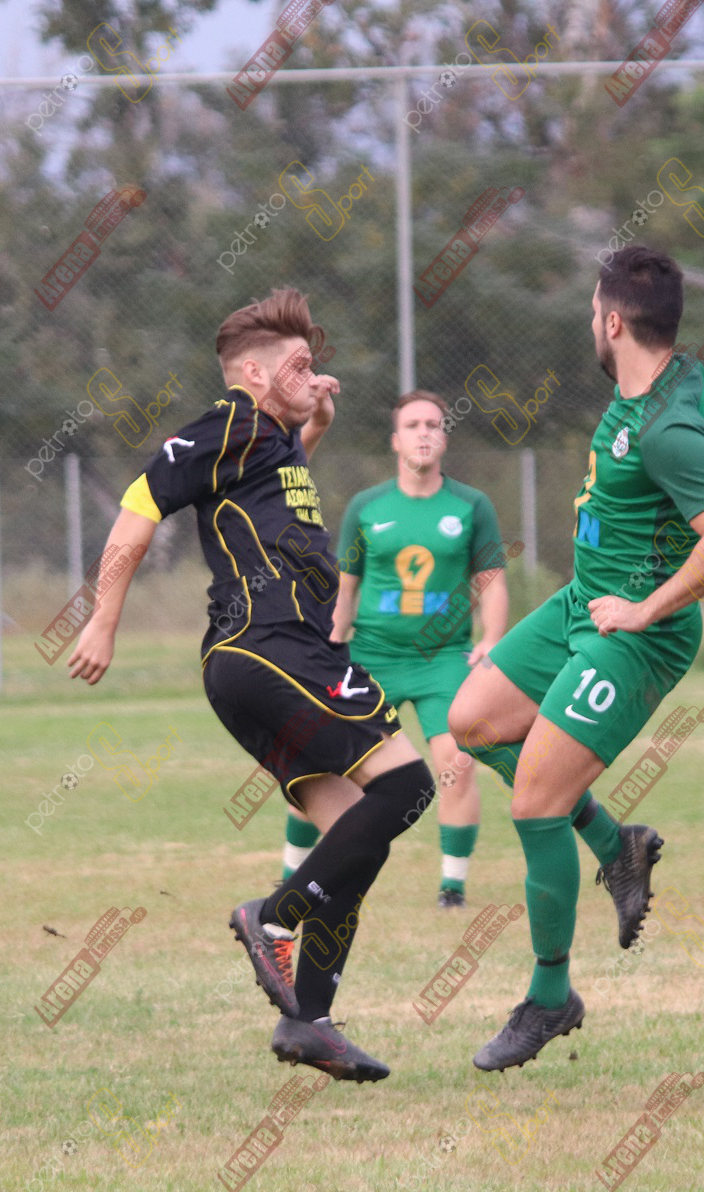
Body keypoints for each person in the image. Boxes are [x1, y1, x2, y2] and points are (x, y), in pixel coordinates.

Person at [67, 287, 438, 1084]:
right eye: (298, 366)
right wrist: (103, 619)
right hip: (269, 646)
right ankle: (270, 917)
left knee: (351, 843)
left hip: (272, 656)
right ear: (254, 375)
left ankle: (309, 1023)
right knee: (409, 786)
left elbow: (274, 487)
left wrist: (314, 423)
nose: (314, 375)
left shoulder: (267, 440)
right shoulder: (228, 423)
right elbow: (138, 507)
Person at [449, 244, 704, 1071]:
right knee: (471, 721)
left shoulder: (666, 429)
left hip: (634, 634)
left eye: (593, 311)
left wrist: (649, 604)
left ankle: (550, 997)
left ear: (614, 323)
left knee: (535, 805)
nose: (591, 322)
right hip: (581, 604)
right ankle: (618, 846)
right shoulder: (685, 385)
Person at [276, 390, 510, 909]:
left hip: (443, 659)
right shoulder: (368, 506)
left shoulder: (471, 505)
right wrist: (330, 641)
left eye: (433, 424)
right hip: (371, 656)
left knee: (456, 763)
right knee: (319, 761)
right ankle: (290, 877)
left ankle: (452, 888)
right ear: (395, 441)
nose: (424, 432)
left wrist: (492, 638)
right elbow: (347, 586)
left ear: (444, 437)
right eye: (413, 425)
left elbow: (491, 580)